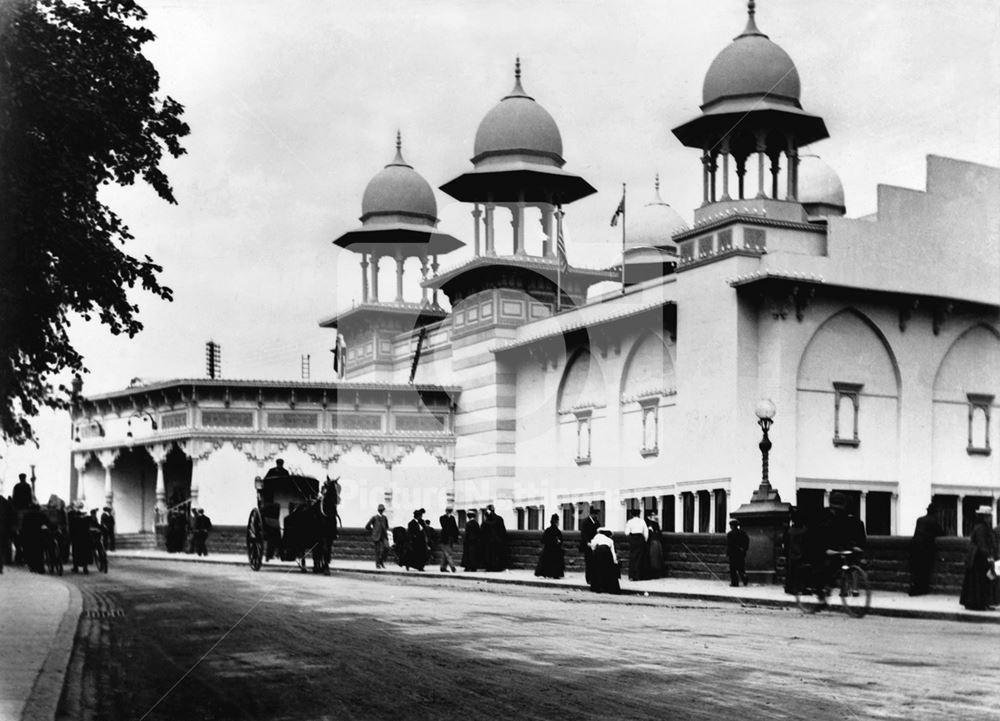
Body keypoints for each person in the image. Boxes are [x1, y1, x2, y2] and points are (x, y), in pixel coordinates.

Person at [959, 505, 996, 611]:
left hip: (976, 558)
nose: (990, 518)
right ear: (985, 517)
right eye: (988, 516)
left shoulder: (979, 527)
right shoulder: (982, 528)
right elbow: (982, 545)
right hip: (979, 558)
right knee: (980, 581)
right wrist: (989, 557)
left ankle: (977, 603)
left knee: (976, 581)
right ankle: (980, 604)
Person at [908, 503, 944, 596]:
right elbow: (941, 533)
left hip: (914, 545)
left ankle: (914, 588)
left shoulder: (920, 520)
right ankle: (921, 589)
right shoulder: (933, 521)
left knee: (916, 569)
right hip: (925, 547)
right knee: (924, 569)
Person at [588, 528, 620, 593]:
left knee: (598, 569)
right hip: (607, 552)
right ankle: (609, 588)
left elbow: (593, 545)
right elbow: (613, 551)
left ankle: (598, 587)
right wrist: (615, 561)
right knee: (607, 569)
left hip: (599, 551)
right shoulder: (610, 540)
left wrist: (593, 550)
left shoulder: (598, 536)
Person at [535, 514, 564, 579]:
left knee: (546, 562)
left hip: (547, 549)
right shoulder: (557, 531)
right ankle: (554, 574)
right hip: (555, 550)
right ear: (556, 522)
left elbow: (543, 540)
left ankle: (546, 574)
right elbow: (561, 540)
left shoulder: (547, 530)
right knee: (556, 563)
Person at [480, 504, 507, 571]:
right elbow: (503, 531)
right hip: (498, 540)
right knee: (496, 555)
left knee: (489, 555)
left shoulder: (486, 521)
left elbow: (482, 531)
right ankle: (497, 567)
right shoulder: (499, 519)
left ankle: (489, 567)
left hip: (488, 541)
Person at [624, 508, 649, 581]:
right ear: (639, 514)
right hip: (640, 539)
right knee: (640, 557)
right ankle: (640, 575)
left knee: (633, 557)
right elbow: (646, 532)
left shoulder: (630, 522)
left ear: (632, 514)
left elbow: (626, 533)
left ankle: (632, 575)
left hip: (633, 539)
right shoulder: (642, 521)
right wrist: (645, 540)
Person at [579, 506, 601, 584]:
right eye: (595, 514)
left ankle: (594, 578)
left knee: (594, 562)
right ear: (591, 514)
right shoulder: (585, 522)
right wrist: (587, 542)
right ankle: (589, 579)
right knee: (589, 562)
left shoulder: (597, 522)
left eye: (596, 514)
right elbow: (584, 534)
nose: (596, 516)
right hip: (587, 545)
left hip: (595, 544)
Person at [365, 503, 390, 569]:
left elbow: (387, 526)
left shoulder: (384, 518)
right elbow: (367, 526)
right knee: (377, 550)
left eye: (382, 510)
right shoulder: (374, 518)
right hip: (376, 536)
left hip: (384, 536)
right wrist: (373, 531)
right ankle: (377, 564)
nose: (381, 511)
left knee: (387, 548)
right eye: (380, 510)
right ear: (378, 510)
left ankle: (381, 561)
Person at [68, 502, 92, 573]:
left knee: (76, 552)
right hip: (85, 538)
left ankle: (76, 567)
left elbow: (71, 527)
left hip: (77, 538)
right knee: (84, 552)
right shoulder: (87, 517)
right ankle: (85, 568)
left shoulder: (73, 517)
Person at [726, 519, 749, 587]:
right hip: (740, 553)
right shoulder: (743, 533)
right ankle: (744, 578)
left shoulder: (730, 534)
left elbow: (730, 544)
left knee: (733, 569)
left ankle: (735, 583)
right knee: (741, 567)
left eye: (731, 525)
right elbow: (747, 542)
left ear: (732, 526)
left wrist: (728, 553)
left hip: (733, 553)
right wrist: (744, 549)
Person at [643, 511, 666, 579]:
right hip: (655, 542)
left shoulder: (652, 525)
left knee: (654, 559)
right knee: (655, 558)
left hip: (654, 542)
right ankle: (656, 572)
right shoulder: (652, 525)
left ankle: (655, 572)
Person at [438, 507, 459, 573]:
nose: (449, 512)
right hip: (445, 538)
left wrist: (456, 537)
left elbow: (455, 528)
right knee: (448, 553)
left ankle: (443, 567)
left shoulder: (452, 518)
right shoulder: (442, 518)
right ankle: (452, 567)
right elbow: (445, 526)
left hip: (450, 538)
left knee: (445, 554)